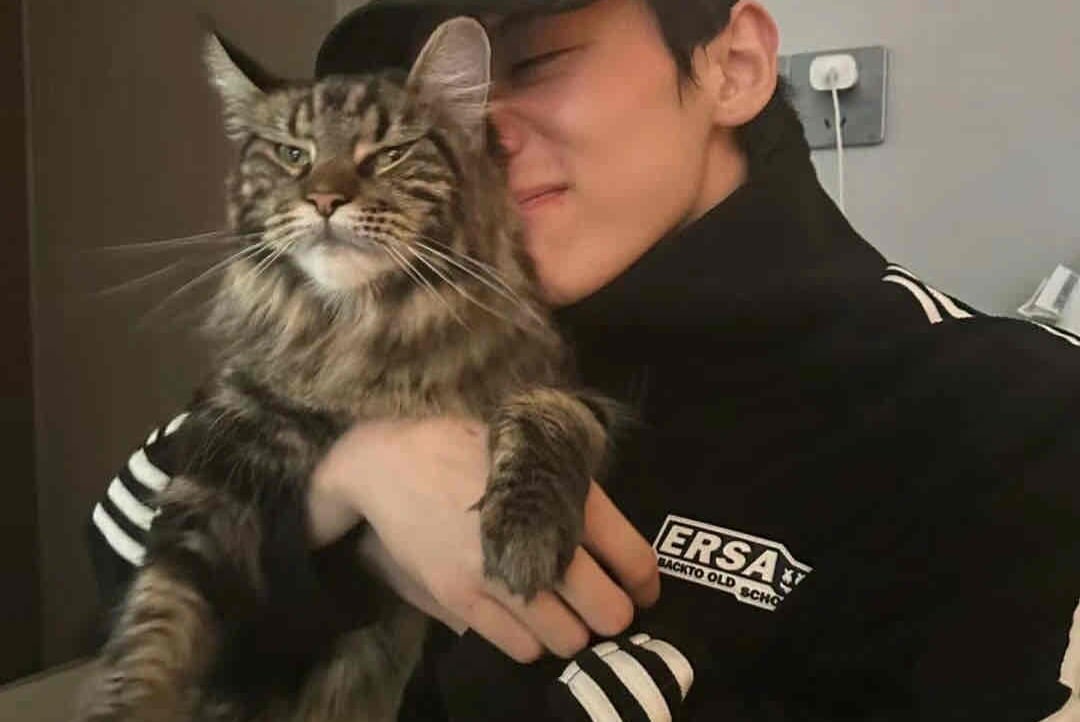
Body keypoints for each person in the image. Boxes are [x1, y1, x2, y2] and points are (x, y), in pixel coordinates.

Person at [87, 0, 1080, 719]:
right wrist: (352, 477)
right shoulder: (427, 316)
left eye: (535, 61)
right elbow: (121, 544)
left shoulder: (993, 408)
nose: (471, 134)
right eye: (432, 106)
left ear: (733, 64)